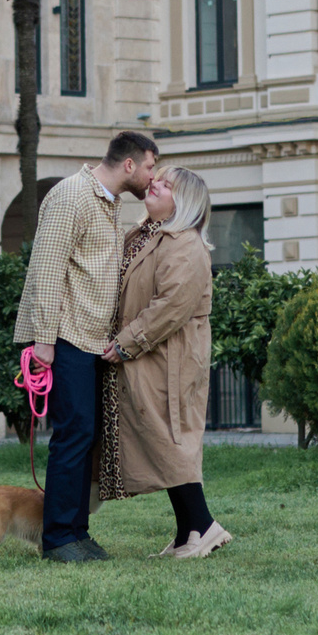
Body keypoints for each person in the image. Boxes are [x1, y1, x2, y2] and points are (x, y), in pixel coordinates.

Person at [12, 130, 158, 562]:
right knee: (72, 435)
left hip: (95, 341)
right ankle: (57, 539)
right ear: (129, 164)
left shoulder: (109, 203)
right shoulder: (70, 195)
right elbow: (46, 268)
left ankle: (77, 533)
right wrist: (44, 341)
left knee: (85, 436)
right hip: (66, 336)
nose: (152, 177)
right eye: (150, 166)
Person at [97, 167, 231, 558]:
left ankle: (204, 525)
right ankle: (188, 531)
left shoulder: (184, 245)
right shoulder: (147, 235)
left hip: (167, 360)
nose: (153, 183)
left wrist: (125, 343)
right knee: (164, 442)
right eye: (157, 178)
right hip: (151, 357)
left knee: (170, 440)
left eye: (166, 184)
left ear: (184, 202)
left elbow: (170, 306)